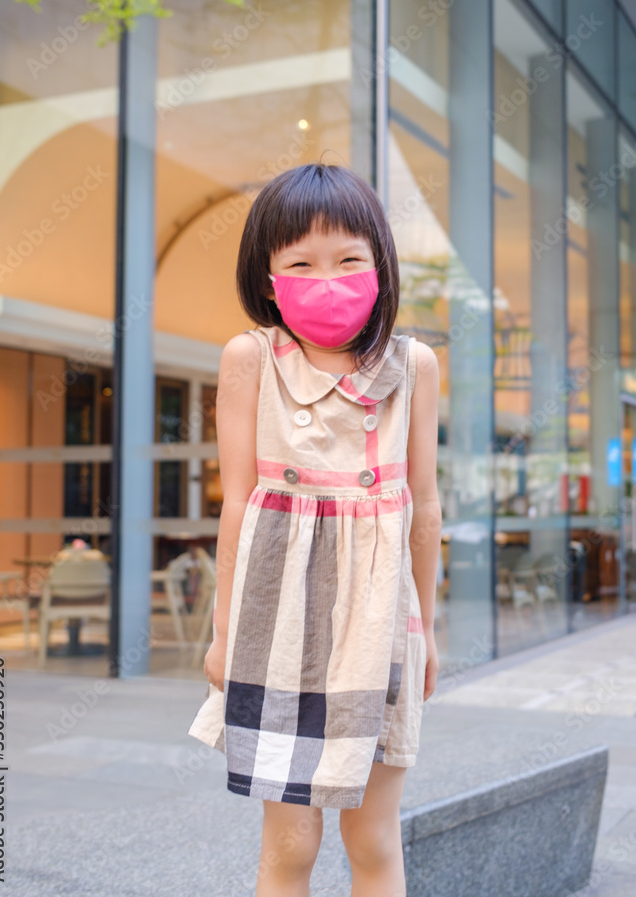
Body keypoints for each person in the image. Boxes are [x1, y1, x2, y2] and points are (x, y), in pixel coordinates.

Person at [187, 162, 441, 896]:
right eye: (300, 261)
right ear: (268, 277)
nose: (326, 277)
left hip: (380, 618)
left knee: (372, 835)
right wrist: (224, 631)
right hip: (278, 618)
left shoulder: (413, 366)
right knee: (289, 844)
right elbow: (238, 503)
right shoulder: (249, 359)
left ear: (379, 266)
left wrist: (425, 624)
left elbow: (423, 505)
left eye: (348, 258)